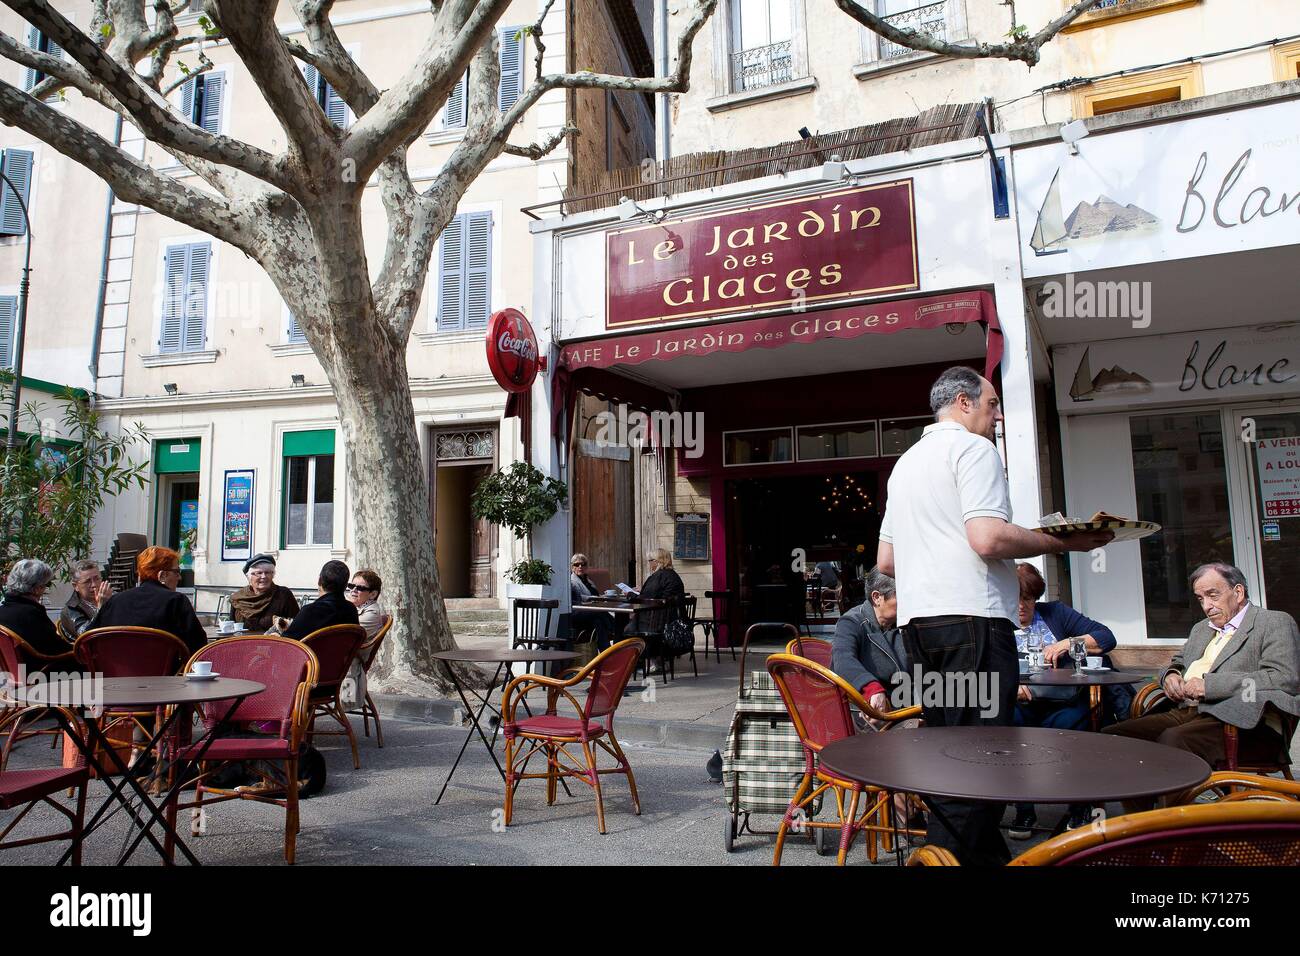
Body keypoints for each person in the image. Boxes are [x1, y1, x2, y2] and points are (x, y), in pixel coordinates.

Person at [876, 365, 1112, 865]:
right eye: (991, 404)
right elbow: (987, 538)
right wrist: (1063, 541)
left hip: (920, 628)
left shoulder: (906, 463)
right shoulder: (974, 449)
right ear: (963, 402)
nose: (998, 415)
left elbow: (886, 562)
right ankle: (939, 860)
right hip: (972, 624)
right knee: (980, 759)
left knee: (949, 752)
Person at [1103, 562, 1300, 810]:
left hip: (1243, 720)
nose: (1207, 605)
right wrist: (1171, 677)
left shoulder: (1273, 622)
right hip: (1187, 711)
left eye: (1213, 595)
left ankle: (1177, 829)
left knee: (1173, 740)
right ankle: (1140, 824)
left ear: (1238, 592)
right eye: (1200, 598)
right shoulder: (1201, 629)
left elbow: (1283, 676)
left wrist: (1211, 685)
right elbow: (1175, 663)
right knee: (1116, 736)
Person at [1009, 563, 1121, 838]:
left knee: (1076, 728)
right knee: (1009, 730)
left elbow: (1107, 637)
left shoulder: (1055, 613)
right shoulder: (996, 624)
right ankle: (1024, 810)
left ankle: (1079, 805)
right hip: (1021, 705)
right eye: (1015, 599)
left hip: (1064, 701)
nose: (1022, 606)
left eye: (1028, 599)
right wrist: (1009, 688)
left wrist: (1069, 643)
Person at [90, 546, 207, 655]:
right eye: (176, 572)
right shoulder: (176, 601)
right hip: (165, 674)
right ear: (162, 576)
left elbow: (89, 638)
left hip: (117, 673)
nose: (180, 577)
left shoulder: (114, 601)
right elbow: (198, 646)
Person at [831, 566, 909, 723]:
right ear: (877, 597)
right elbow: (843, 660)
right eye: (903, 596)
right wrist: (872, 689)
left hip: (907, 705)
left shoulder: (903, 623)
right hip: (871, 713)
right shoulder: (852, 621)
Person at [0, 559, 70, 658]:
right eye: (45, 585)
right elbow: (57, 648)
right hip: (44, 670)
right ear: (37, 588)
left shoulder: (2, 611)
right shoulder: (31, 614)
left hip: (13, 671)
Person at [283, 560, 360, 640]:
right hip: (343, 652)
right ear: (345, 586)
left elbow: (288, 643)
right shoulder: (351, 610)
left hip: (313, 653)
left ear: (319, 581)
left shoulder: (309, 611)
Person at [228, 553, 299, 632]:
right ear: (249, 576)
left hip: (274, 642)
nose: (264, 576)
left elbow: (297, 624)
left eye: (268, 572)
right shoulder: (238, 597)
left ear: (273, 575)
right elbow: (230, 627)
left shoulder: (283, 594)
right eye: (259, 573)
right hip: (243, 643)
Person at [59, 559, 113, 640]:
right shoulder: (70, 610)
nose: (94, 585)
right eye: (87, 581)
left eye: (97, 578)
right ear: (75, 586)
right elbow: (86, 635)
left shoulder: (112, 597)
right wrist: (101, 607)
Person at [569, 554, 613, 649]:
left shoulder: (588, 580)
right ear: (572, 567)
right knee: (600, 614)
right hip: (581, 611)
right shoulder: (572, 581)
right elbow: (578, 597)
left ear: (586, 567)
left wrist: (601, 597)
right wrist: (591, 598)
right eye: (577, 564)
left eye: (583, 564)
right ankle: (613, 629)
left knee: (598, 622)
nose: (580, 567)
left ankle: (606, 651)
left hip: (592, 610)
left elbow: (595, 594)